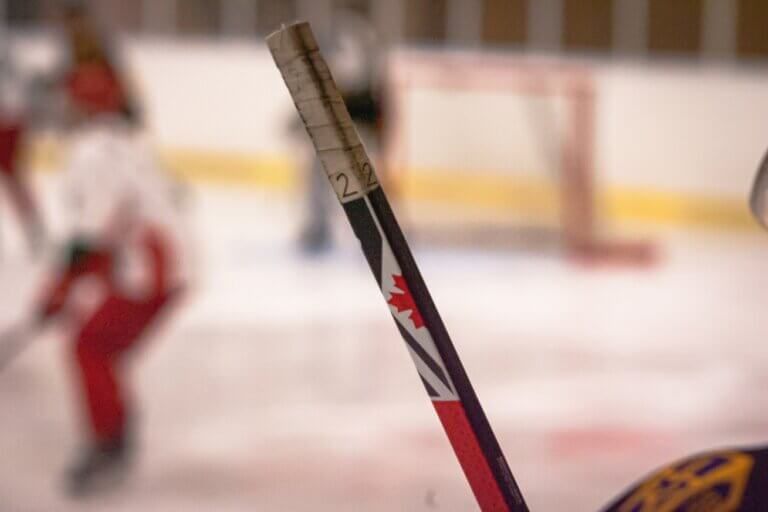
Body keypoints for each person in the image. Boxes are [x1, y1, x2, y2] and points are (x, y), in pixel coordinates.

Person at [29, 4, 188, 496]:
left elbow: (90, 239)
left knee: (89, 345)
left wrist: (58, 288)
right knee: (101, 344)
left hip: (157, 268)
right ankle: (116, 430)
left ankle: (109, 442)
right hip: (163, 262)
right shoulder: (121, 139)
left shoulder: (96, 150)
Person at [0, 47, 45, 254]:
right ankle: (33, 228)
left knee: (12, 176)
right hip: (12, 118)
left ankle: (33, 228)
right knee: (13, 177)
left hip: (9, 120)